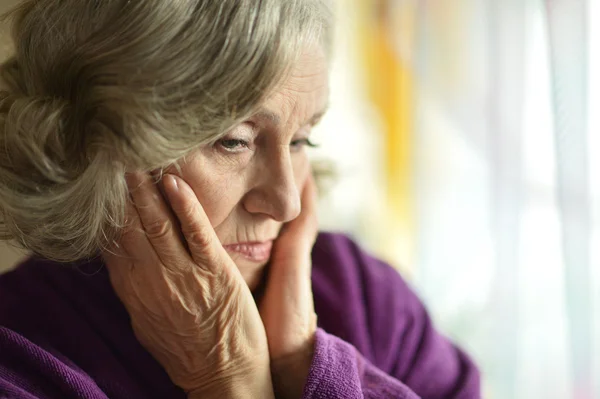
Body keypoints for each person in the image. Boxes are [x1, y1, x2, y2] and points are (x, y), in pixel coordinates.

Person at [0, 1, 481, 398]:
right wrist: (226, 379)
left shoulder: (368, 297)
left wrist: (300, 361)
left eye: (300, 141)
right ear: (97, 142)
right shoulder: (18, 356)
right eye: (234, 141)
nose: (285, 203)